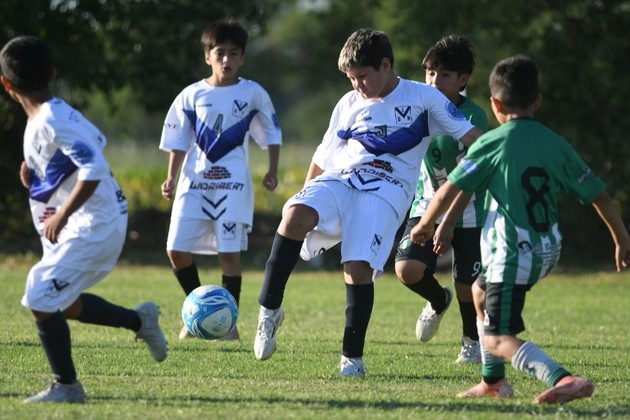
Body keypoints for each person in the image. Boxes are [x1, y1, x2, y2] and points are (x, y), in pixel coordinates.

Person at [253, 28, 483, 377]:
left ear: (386, 65)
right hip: (342, 179)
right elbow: (323, 156)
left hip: (387, 190)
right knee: (295, 215)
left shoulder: (424, 98)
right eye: (351, 78)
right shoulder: (348, 103)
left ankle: (352, 359)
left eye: (362, 76)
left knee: (358, 268)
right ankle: (269, 312)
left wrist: (505, 148)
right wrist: (307, 195)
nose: (356, 85)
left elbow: (473, 138)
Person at [410, 55, 630, 403]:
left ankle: (562, 378)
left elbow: (447, 190)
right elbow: (599, 195)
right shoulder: (555, 143)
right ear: (537, 101)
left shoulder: (491, 143)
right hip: (548, 248)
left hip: (513, 254)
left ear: (495, 104)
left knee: (498, 338)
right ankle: (493, 382)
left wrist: (424, 224)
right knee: (478, 294)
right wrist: (621, 240)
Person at [0, 36, 168, 404]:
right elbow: (93, 143)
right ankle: (139, 321)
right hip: (88, 221)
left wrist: (62, 213)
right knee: (63, 303)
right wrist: (36, 171)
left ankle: (68, 387)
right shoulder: (50, 116)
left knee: (39, 292)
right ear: (52, 74)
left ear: (6, 84)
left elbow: (94, 168)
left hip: (94, 223)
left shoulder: (51, 119)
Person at [159, 18, 282, 340]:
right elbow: (178, 141)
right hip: (194, 185)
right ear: (207, 56)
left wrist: (272, 170)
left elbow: (271, 133)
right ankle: (198, 309)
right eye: (220, 52)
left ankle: (227, 324)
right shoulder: (191, 95)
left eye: (233, 53)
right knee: (175, 250)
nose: (226, 59)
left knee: (229, 255)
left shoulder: (252, 93)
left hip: (233, 186)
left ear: (242, 58)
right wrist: (170, 177)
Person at [395, 35, 487, 364]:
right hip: (426, 206)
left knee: (467, 285)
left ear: (463, 80)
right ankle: (437, 300)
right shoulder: (416, 110)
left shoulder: (473, 118)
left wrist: (446, 223)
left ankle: (471, 342)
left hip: (470, 210)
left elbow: (470, 178)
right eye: (430, 73)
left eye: (444, 75)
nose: (434, 81)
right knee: (407, 269)